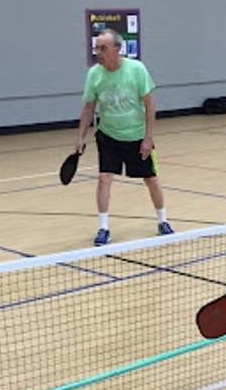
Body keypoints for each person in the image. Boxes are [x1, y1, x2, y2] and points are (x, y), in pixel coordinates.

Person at [73, 30, 173, 246]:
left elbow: (149, 104)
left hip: (137, 136)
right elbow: (88, 108)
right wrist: (80, 136)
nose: (98, 52)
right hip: (108, 135)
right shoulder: (94, 74)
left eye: (103, 48)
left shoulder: (136, 69)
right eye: (96, 48)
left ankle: (163, 221)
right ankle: (103, 228)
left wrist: (148, 138)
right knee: (104, 179)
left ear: (117, 49)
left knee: (151, 180)